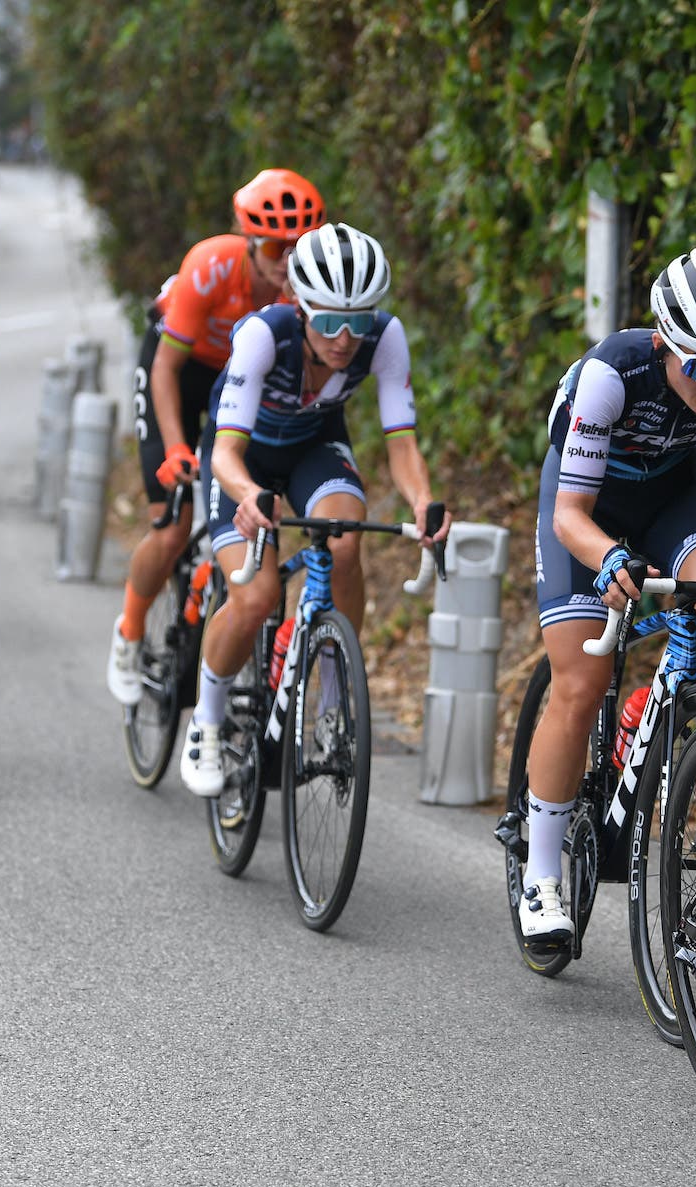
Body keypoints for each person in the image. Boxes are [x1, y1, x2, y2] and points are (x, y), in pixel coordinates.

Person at [516, 248, 696, 945]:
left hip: (672, 490)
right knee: (581, 675)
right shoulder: (613, 374)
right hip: (589, 498)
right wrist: (606, 559)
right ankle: (541, 874)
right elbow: (571, 512)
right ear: (664, 342)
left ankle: (659, 704)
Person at [177, 222, 450, 795]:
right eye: (329, 320)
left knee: (346, 537)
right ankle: (205, 720)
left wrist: (422, 501)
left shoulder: (385, 338)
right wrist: (248, 494)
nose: (346, 337)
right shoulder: (262, 335)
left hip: (312, 450)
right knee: (254, 596)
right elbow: (226, 449)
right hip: (243, 457)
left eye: (360, 319)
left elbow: (402, 443)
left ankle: (331, 704)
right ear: (299, 306)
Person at [105, 168, 324, 707]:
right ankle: (129, 631)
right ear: (250, 242)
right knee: (173, 525)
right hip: (181, 371)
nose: (285, 260)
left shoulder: (306, 291)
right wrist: (177, 448)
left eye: (297, 247)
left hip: (241, 384)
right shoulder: (210, 266)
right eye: (275, 245)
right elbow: (164, 372)